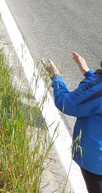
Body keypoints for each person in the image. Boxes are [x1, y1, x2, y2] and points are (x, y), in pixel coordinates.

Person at [42, 53, 102, 193]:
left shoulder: (98, 91)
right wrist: (88, 73)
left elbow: (67, 104)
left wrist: (56, 76)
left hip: (96, 160)